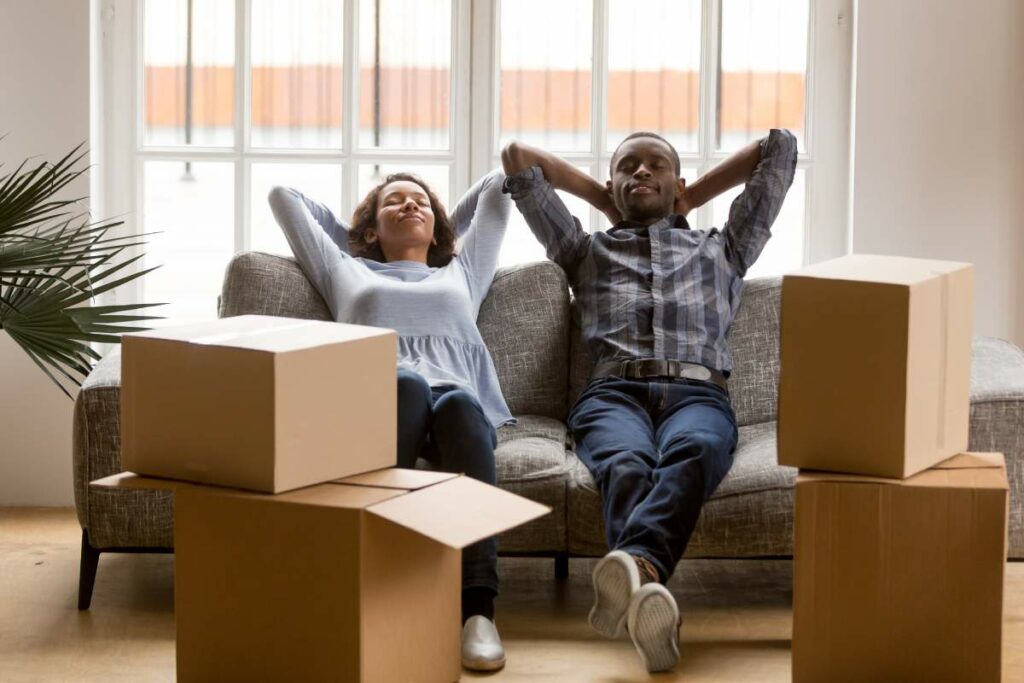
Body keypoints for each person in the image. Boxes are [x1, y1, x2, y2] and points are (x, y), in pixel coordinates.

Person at [501, 129, 797, 672]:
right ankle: (653, 595)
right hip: (613, 394)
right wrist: (600, 196)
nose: (641, 173)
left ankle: (638, 575)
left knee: (698, 449)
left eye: (655, 165)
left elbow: (779, 149)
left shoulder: (726, 247)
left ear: (675, 181)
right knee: (626, 463)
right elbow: (519, 161)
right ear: (613, 184)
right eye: (627, 167)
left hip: (698, 392)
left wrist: (693, 195)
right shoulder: (583, 250)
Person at [268, 169, 513, 672]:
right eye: (394, 203)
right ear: (370, 231)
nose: (409, 206)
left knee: (460, 405)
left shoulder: (462, 273)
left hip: (455, 401)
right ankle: (375, 590)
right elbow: (284, 197)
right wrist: (357, 236)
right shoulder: (345, 270)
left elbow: (500, 185)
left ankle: (477, 612)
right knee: (410, 384)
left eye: (419, 201)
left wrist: (439, 221)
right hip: (379, 400)